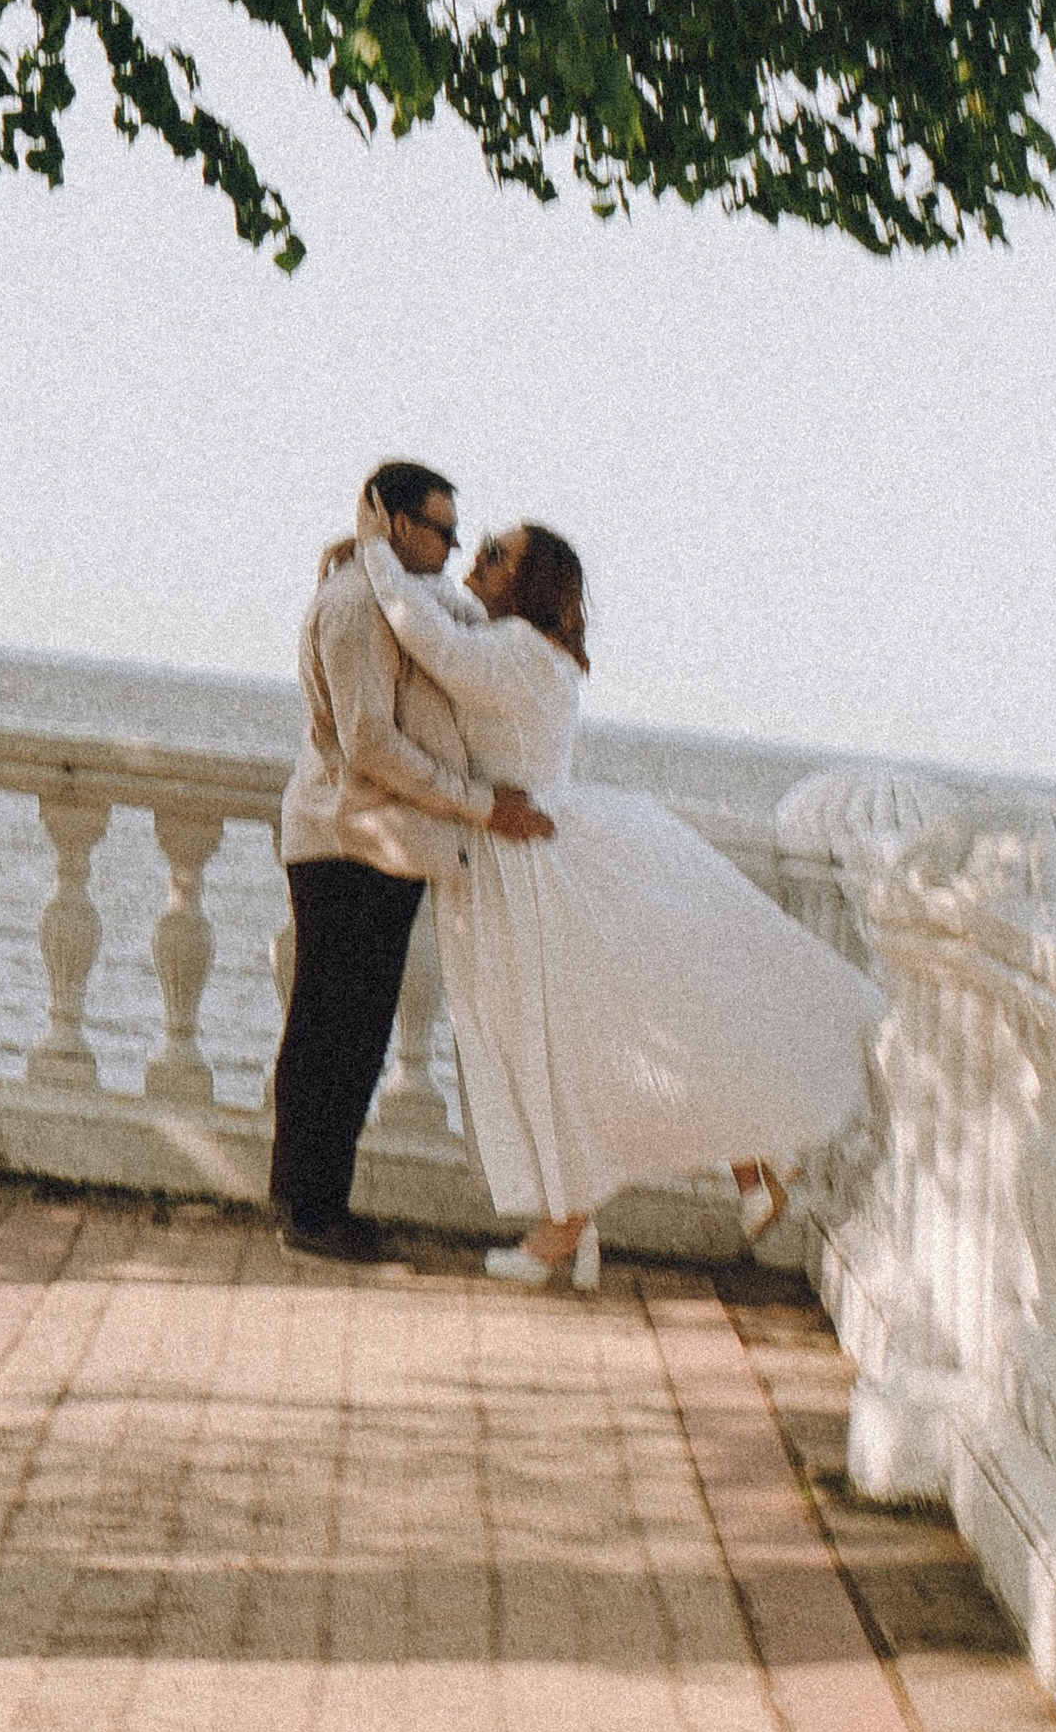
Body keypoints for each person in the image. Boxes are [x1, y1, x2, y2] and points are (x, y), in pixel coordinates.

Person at [354, 497, 883, 1289]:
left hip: (533, 866)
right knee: (612, 1031)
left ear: (526, 586)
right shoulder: (528, 646)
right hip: (534, 854)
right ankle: (715, 1176)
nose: (478, 555)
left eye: (496, 553)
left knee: (567, 1043)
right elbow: (451, 617)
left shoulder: (516, 654)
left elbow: (425, 634)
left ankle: (574, 1222)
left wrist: (371, 551)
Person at [269, 462, 557, 1263]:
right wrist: (475, 803)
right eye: (442, 529)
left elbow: (470, 624)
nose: (455, 545)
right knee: (334, 1033)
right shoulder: (360, 605)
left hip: (376, 842)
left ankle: (313, 1200)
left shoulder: (401, 594)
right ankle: (310, 1210)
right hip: (348, 839)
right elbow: (369, 743)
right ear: (397, 523)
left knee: (348, 1033)